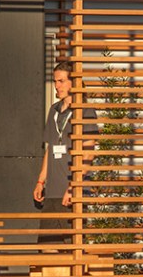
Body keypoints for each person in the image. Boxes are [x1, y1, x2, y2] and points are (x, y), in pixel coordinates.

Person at [33, 61, 97, 243]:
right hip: (52, 192)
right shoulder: (53, 110)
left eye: (61, 81)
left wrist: (73, 187)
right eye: (55, 81)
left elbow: (88, 154)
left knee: (72, 248)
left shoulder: (85, 111)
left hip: (71, 193)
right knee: (46, 248)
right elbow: (50, 149)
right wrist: (40, 181)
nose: (57, 86)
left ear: (73, 83)